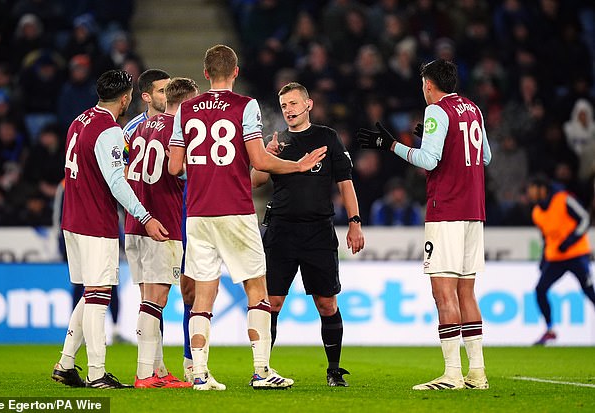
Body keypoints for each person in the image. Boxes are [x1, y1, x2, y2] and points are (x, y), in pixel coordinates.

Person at [168, 44, 326, 390]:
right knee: (258, 290)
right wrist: (298, 165)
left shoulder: (186, 110)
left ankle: (201, 374)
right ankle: (261, 371)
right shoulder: (245, 105)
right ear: (236, 72)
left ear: (206, 73)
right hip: (236, 210)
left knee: (203, 296)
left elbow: (175, 166)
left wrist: (202, 172)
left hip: (197, 213)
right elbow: (260, 161)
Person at [358, 59, 491, 390]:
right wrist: (438, 141)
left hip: (446, 209)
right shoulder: (472, 108)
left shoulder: (437, 111)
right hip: (474, 211)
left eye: (422, 84)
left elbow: (427, 160)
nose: (422, 90)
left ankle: (451, 375)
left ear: (429, 85)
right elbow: (484, 156)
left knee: (443, 292)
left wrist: (392, 145)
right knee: (466, 291)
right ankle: (477, 372)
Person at [51, 69, 168, 389]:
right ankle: (97, 373)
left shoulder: (80, 120)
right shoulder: (109, 130)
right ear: (126, 97)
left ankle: (65, 363)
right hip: (94, 222)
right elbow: (117, 182)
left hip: (72, 220)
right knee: (99, 294)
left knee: (91, 291)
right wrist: (145, 216)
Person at [251, 81, 365, 387]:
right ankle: (262, 369)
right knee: (271, 303)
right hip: (281, 232)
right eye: (284, 105)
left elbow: (345, 182)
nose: (288, 110)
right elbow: (254, 182)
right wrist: (266, 155)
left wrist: (354, 221)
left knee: (326, 303)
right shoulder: (278, 143)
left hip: (318, 232)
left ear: (308, 104)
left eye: (293, 103)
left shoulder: (326, 137)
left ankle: (334, 370)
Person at [125, 77, 199, 389]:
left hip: (135, 222)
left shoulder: (140, 128)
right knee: (155, 300)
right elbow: (178, 169)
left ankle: (156, 370)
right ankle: (145, 375)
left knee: (148, 298)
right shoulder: (178, 131)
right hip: (163, 224)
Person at [526, 175, 595, 345]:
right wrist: (544, 258)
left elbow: (585, 219)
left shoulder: (563, 200)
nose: (530, 193)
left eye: (532, 188)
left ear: (542, 189)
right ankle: (550, 330)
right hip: (555, 257)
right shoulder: (536, 212)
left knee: (588, 291)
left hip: (576, 254)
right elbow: (545, 237)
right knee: (540, 290)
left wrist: (570, 240)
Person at [122, 69, 171, 162]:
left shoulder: (182, 124)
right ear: (146, 97)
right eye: (162, 91)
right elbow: (124, 167)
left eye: (170, 89)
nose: (169, 95)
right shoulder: (131, 131)